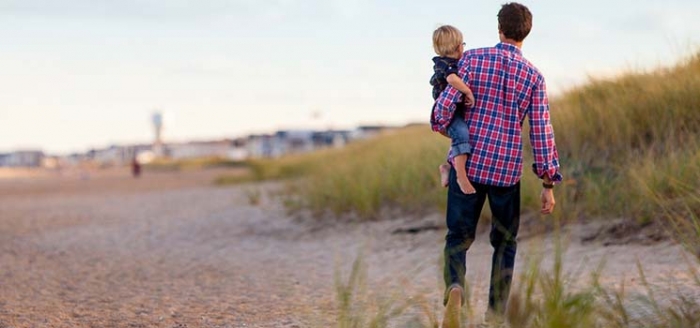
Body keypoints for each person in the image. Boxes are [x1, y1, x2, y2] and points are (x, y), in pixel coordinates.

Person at [432, 3, 562, 327]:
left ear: (499, 28)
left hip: (471, 165)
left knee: (457, 238)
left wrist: (441, 120)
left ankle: (456, 286)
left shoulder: (471, 59)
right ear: (526, 33)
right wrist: (548, 183)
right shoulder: (534, 76)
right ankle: (494, 316)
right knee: (505, 243)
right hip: (506, 171)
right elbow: (542, 131)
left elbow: (443, 109)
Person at [430, 25, 477, 195]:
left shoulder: (452, 62)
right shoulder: (446, 64)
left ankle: (448, 167)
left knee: (460, 137)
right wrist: (467, 91)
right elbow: (451, 79)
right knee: (462, 134)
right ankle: (461, 176)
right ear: (459, 47)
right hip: (448, 112)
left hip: (454, 110)